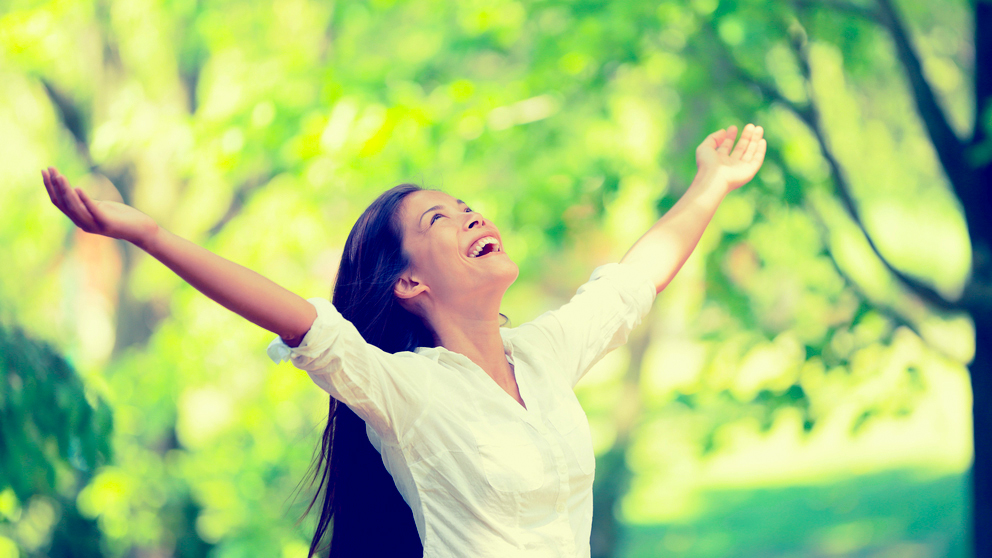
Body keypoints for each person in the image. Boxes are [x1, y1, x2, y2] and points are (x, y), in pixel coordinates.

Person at [43, 123, 766, 557]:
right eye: (439, 221)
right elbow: (294, 316)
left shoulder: (544, 357)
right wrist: (149, 233)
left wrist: (712, 183)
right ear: (408, 284)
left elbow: (633, 281)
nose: (472, 217)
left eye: (467, 208)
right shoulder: (406, 392)